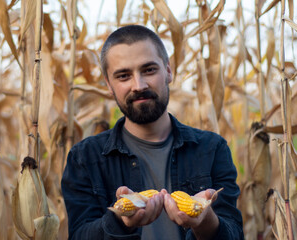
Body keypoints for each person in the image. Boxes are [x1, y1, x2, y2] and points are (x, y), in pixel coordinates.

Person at [61, 25, 244, 240]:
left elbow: (234, 234)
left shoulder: (212, 149)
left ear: (168, 71)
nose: (138, 85)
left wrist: (205, 221)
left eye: (149, 70)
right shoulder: (84, 158)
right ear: (108, 84)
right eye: (123, 76)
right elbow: (79, 236)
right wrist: (120, 221)